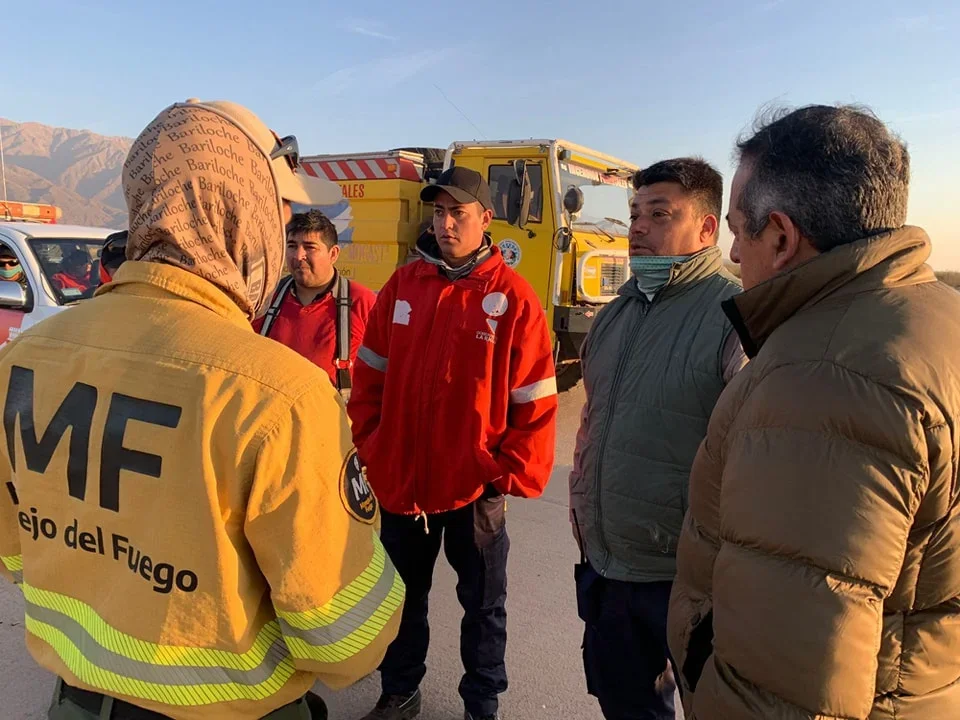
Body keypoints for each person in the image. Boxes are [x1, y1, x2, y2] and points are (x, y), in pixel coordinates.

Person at [0, 98, 404, 720]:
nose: (287, 231)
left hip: (75, 704)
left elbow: (15, 550)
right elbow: (348, 643)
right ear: (242, 211)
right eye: (282, 209)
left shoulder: (21, 361)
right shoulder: (281, 396)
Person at [667, 104, 960, 719]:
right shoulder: (937, 319)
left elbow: (790, 686)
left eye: (736, 229)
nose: (732, 252)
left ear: (779, 236)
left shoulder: (819, 382)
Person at [349, 167, 559, 720]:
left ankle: (481, 705)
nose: (445, 224)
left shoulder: (512, 298)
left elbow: (536, 401)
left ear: (485, 219)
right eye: (438, 213)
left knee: (484, 607)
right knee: (401, 601)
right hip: (403, 486)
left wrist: (501, 474)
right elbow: (370, 375)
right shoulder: (403, 286)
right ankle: (400, 691)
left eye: (457, 213)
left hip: (474, 491)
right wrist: (374, 446)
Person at [568, 158, 745, 720]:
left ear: (708, 228)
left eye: (659, 214)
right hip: (606, 564)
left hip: (684, 579)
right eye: (634, 214)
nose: (637, 227)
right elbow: (592, 425)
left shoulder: (735, 315)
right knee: (624, 704)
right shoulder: (614, 315)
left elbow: (753, 456)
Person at [254, 210, 376, 399]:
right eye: (292, 246)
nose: (298, 255)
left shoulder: (362, 302)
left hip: (332, 424)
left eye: (310, 247)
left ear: (333, 253)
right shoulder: (265, 297)